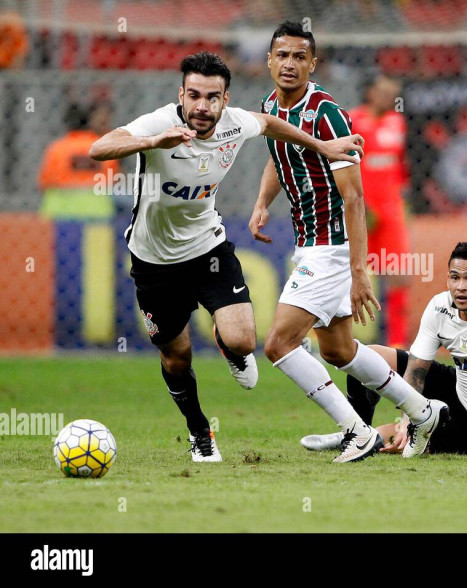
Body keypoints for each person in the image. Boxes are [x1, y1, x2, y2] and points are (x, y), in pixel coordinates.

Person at [89, 52, 364, 462]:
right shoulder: (160, 123)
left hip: (207, 249)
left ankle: (229, 347)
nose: (202, 106)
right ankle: (200, 433)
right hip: (153, 261)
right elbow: (99, 147)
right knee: (177, 357)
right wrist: (151, 143)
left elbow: (269, 123)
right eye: (194, 95)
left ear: (225, 99)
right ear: (181, 95)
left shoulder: (235, 123)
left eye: (212, 97)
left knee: (243, 339)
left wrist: (322, 146)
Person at [249, 21, 447, 463]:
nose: (289, 64)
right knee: (338, 350)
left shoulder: (327, 114)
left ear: (313, 64)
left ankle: (357, 431)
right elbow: (278, 158)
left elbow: (355, 198)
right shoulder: (269, 105)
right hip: (309, 241)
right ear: (269, 60)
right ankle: (424, 411)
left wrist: (359, 271)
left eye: (299, 57)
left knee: (279, 343)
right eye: (282, 55)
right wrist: (262, 202)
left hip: (331, 244)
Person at [301, 241, 467, 458]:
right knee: (369, 357)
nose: (461, 287)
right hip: (459, 388)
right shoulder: (440, 307)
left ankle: (369, 437)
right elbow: (417, 371)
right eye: (455, 277)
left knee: (393, 436)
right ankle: (356, 432)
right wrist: (409, 419)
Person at [349, 74, 412, 347]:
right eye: (385, 91)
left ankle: (397, 343)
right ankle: (328, 338)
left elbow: (400, 166)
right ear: (370, 92)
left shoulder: (398, 122)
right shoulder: (352, 121)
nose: (391, 97)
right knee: (345, 273)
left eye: (394, 92)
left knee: (399, 276)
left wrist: (402, 202)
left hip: (390, 212)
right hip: (359, 211)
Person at [39, 101, 119, 219]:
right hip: (96, 208)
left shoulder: (57, 147)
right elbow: (114, 180)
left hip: (60, 210)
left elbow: (45, 181)